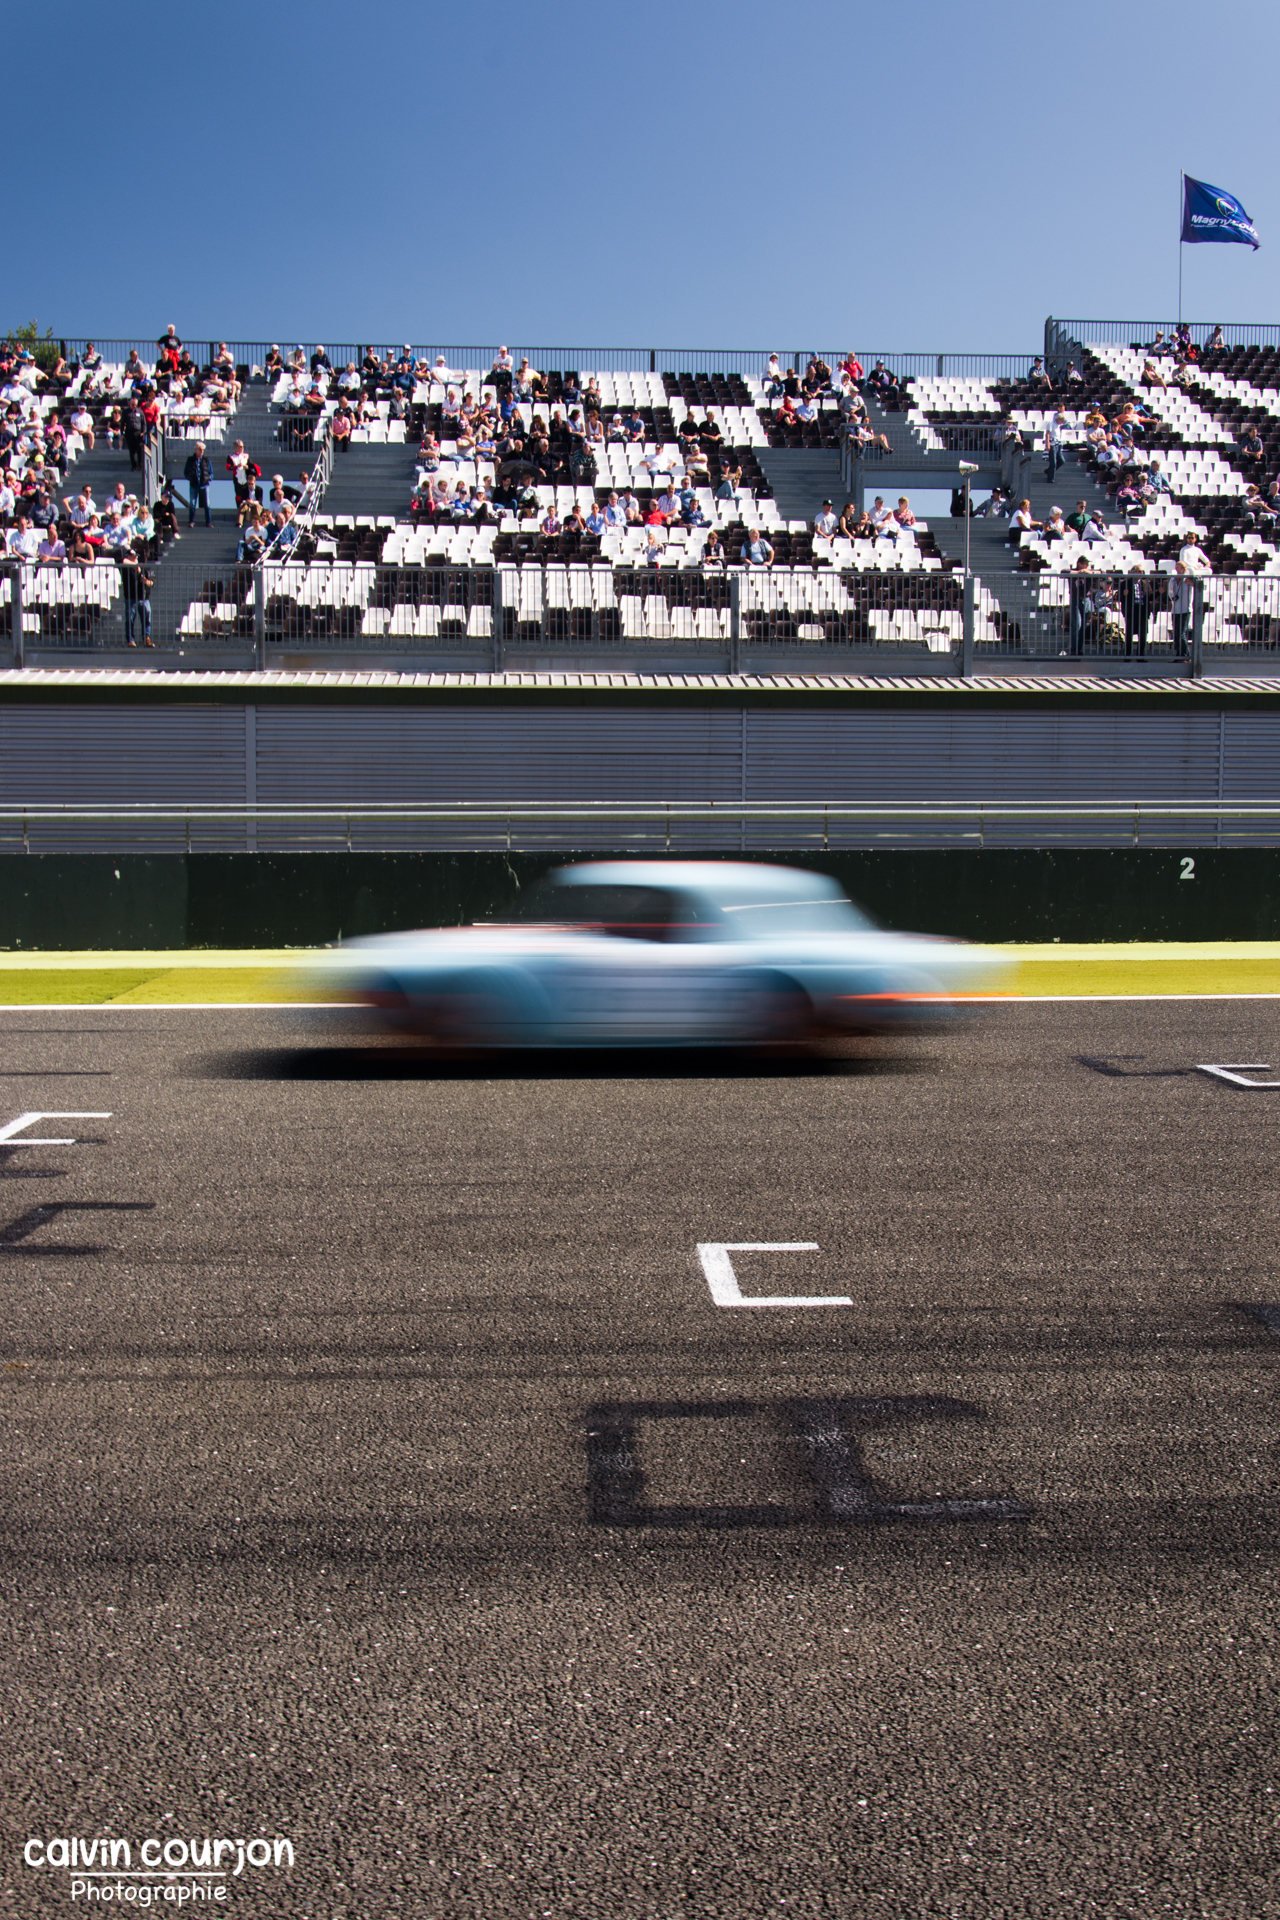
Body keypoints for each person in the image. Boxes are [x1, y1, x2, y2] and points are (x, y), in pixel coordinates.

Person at [227, 440, 262, 519]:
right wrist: (236, 466)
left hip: (245, 479)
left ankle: (247, 511)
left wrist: (248, 467)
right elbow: (228, 467)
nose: (242, 448)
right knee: (238, 495)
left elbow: (252, 465)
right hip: (237, 479)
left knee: (246, 495)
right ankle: (239, 509)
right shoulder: (231, 456)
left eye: (242, 446)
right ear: (235, 447)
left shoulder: (246, 456)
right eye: (240, 446)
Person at [184, 442, 212, 526]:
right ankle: (191, 521)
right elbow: (186, 472)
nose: (202, 451)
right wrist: (190, 478)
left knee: (207, 504)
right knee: (192, 504)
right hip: (194, 485)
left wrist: (209, 478)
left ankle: (208, 522)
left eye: (203, 450)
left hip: (204, 485)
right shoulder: (190, 460)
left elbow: (211, 472)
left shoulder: (206, 460)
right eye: (200, 449)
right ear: (195, 449)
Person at [1170, 562, 1193, 657]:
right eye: (1179, 568)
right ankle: (1178, 654)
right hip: (1175, 609)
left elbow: (1199, 586)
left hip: (1185, 610)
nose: (1181, 570)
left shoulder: (1188, 579)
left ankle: (1185, 654)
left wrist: (1192, 582)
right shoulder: (1173, 580)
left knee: (1181, 634)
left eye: (1183, 568)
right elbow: (1170, 593)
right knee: (1176, 634)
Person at [1044, 410, 1068, 484]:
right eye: (1062, 420)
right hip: (1053, 444)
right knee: (1053, 462)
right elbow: (1047, 434)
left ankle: (1049, 471)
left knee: (1061, 460)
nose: (1062, 422)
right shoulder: (1051, 423)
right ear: (1058, 418)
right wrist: (1047, 444)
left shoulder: (1058, 425)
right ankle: (1050, 479)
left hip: (1058, 444)